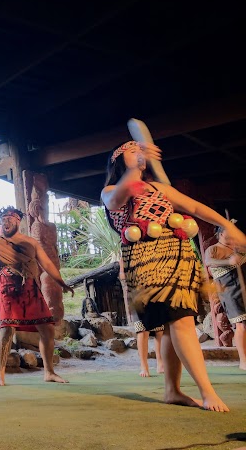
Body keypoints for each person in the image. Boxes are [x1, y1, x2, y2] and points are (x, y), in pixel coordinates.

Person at [102, 140, 246, 412]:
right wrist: (137, 168)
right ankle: (207, 392)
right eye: (134, 151)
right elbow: (116, 200)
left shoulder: (160, 188)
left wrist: (226, 225)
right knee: (180, 320)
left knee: (173, 324)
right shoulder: (111, 189)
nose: (140, 154)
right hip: (147, 260)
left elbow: (196, 208)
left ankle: (172, 390)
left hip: (179, 256)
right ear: (118, 161)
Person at [0, 206, 74, 386]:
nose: (6, 223)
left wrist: (61, 282)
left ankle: (49, 372)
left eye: (9, 220)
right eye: (3, 220)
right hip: (8, 288)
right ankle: (0, 375)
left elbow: (47, 264)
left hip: (31, 288)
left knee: (47, 329)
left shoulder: (31, 242)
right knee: (6, 330)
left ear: (18, 221)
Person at [205, 223, 246, 370]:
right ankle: (243, 361)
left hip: (244, 286)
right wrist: (229, 261)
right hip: (230, 290)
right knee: (240, 324)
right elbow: (209, 262)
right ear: (221, 234)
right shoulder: (213, 249)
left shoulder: (239, 247)